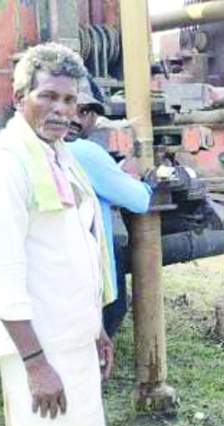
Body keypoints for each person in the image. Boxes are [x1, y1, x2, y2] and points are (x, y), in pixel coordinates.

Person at [0, 42, 113, 426]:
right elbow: (2, 276)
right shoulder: (4, 166)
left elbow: (77, 249)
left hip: (76, 339)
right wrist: (35, 364)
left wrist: (96, 328)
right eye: (47, 96)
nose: (61, 109)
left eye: (69, 99)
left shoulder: (59, 155)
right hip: (43, 348)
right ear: (20, 98)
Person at [65, 78, 152, 338]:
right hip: (88, 274)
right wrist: (140, 182)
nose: (77, 119)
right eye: (72, 107)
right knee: (109, 315)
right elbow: (138, 200)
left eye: (85, 111)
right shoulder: (84, 151)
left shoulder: (36, 149)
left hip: (58, 275)